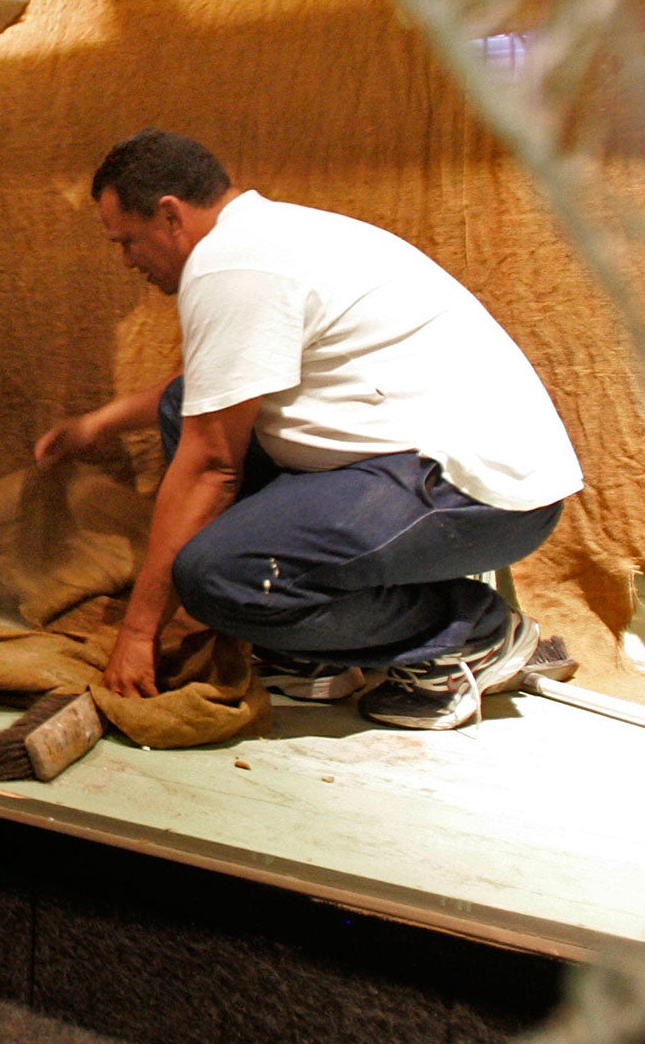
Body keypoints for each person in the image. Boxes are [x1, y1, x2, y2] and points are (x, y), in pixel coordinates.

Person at [35, 130, 582, 731]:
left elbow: (211, 467)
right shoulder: (260, 239)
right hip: (425, 465)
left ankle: (470, 637)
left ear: (169, 215)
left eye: (129, 241)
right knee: (187, 404)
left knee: (218, 575)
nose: (127, 261)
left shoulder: (231, 264)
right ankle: (311, 649)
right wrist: (96, 424)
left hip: (478, 493)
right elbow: (207, 389)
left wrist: (138, 634)